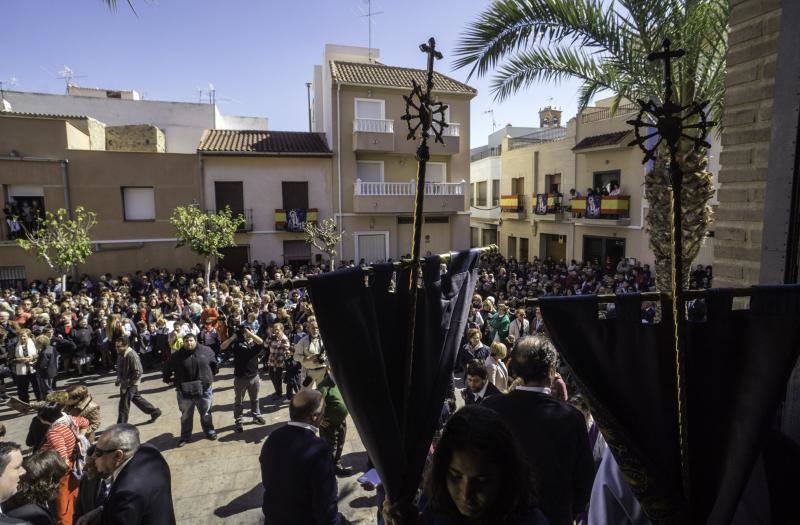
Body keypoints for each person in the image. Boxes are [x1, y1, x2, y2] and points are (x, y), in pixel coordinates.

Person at [482, 336, 594, 525]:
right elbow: (584, 481)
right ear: (551, 369)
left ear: (515, 369)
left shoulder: (490, 408)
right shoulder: (571, 419)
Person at [385, 405, 548, 525]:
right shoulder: (435, 501)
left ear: (506, 475)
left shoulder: (530, 521)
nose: (466, 495)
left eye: (482, 481)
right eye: (455, 476)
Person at [259, 390, 345, 525]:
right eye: (324, 410)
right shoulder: (319, 450)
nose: (325, 414)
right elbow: (326, 507)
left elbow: (269, 482)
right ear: (315, 417)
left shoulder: (273, 437)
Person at [82, 424, 176, 525]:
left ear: (118, 455)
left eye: (98, 453)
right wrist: (102, 510)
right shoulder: (151, 452)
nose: (93, 457)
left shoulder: (126, 493)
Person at [162, 333, 218, 446]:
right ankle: (185, 437)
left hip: (204, 389)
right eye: (186, 341)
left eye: (191, 340)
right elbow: (167, 369)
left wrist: (208, 378)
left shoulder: (206, 350)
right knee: (186, 415)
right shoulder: (177, 355)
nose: (189, 343)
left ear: (196, 340)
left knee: (206, 413)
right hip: (184, 391)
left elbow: (214, 365)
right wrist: (168, 379)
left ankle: (209, 431)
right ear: (183, 342)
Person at [222, 320, 266, 433]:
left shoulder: (254, 344)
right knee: (239, 402)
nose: (245, 332)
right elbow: (223, 347)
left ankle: (256, 416)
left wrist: (249, 333)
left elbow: (261, 342)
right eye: (244, 331)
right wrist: (234, 336)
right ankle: (238, 420)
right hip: (240, 378)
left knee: (255, 399)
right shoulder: (237, 343)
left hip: (254, 376)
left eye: (247, 330)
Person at [5, 449, 67, 525]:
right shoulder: (37, 516)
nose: (59, 485)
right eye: (58, 481)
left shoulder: (16, 497)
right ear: (49, 482)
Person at [115, 336, 161, 425]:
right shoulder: (121, 353)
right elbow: (120, 368)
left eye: (118, 346)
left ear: (126, 346)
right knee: (136, 398)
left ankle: (121, 425)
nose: (116, 348)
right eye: (116, 346)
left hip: (130, 383)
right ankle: (154, 412)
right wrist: (118, 379)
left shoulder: (132, 355)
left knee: (124, 404)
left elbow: (138, 371)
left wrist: (130, 384)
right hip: (126, 382)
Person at [317, 369, 351, 476]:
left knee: (340, 443)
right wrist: (319, 420)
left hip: (341, 421)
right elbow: (315, 405)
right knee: (331, 447)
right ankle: (329, 472)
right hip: (329, 424)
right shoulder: (324, 386)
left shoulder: (340, 382)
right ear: (330, 370)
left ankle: (336, 465)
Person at [293, 317, 327, 389]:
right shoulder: (303, 341)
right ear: (308, 329)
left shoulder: (324, 340)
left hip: (323, 371)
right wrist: (306, 358)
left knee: (322, 393)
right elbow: (295, 357)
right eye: (313, 328)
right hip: (309, 373)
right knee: (306, 392)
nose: (315, 330)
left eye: (317, 328)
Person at [12, 329, 41, 404]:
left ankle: (41, 403)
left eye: (24, 336)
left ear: (28, 336)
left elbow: (40, 354)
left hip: (33, 369)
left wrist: (32, 357)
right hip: (21, 370)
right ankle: (25, 405)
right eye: (20, 336)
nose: (22, 338)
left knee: (38, 388)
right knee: (22, 389)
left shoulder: (34, 342)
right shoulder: (14, 345)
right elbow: (10, 359)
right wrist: (20, 360)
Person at [266, 323, 290, 399]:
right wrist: (269, 336)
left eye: (277, 330)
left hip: (279, 362)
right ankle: (277, 391)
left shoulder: (284, 338)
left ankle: (279, 393)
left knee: (277, 378)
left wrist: (281, 344)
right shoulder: (273, 337)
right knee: (271, 375)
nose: (276, 332)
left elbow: (287, 348)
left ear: (282, 330)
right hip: (272, 360)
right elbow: (265, 345)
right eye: (274, 330)